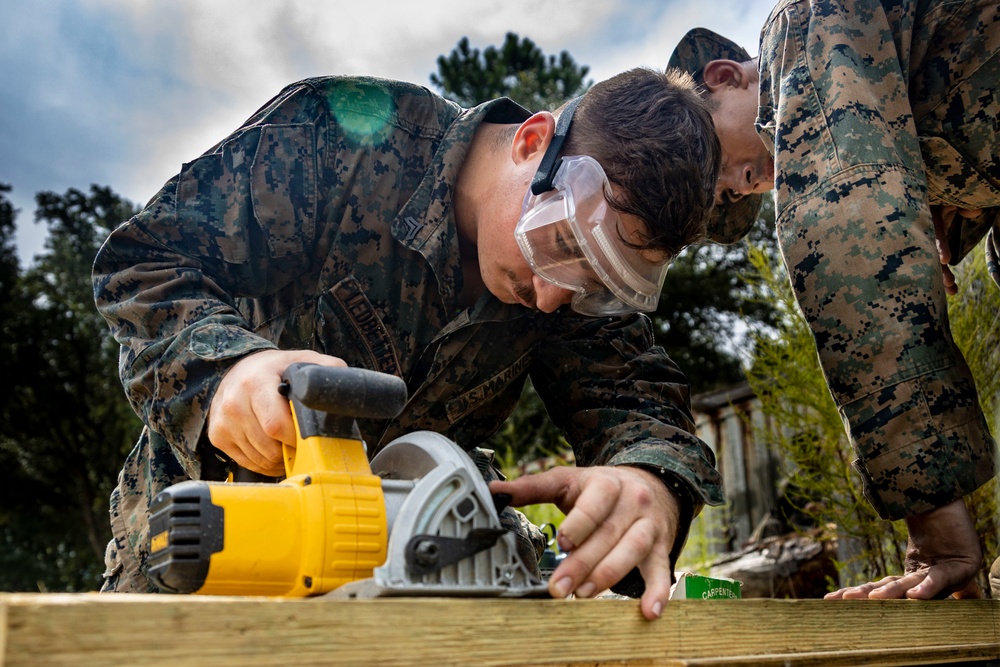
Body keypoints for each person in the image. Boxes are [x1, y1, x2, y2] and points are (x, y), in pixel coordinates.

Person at [93, 68, 725, 620]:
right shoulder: (343, 137)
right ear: (533, 143)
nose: (555, 294)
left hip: (407, 585)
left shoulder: (575, 280)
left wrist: (652, 487)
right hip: (212, 539)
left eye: (597, 285)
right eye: (559, 244)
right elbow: (144, 264)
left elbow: (645, 411)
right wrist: (229, 369)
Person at [668, 0, 999, 600]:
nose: (739, 188)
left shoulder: (801, 27)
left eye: (717, 167)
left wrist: (935, 526)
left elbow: (850, 241)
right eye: (728, 195)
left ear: (722, 78)